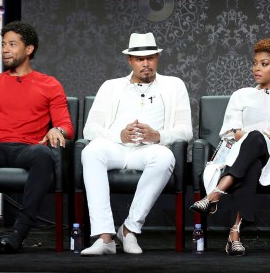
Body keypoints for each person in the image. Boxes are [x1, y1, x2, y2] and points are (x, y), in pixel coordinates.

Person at [0, 21, 74, 254]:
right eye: (3, 45)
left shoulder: (49, 84)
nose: (5, 50)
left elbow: (66, 126)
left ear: (29, 49)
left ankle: (19, 233)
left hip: (28, 149)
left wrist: (56, 130)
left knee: (44, 155)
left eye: (12, 44)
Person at [190, 38, 270, 256]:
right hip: (241, 152)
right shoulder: (241, 95)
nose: (256, 68)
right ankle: (234, 233)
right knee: (253, 151)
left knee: (255, 146)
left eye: (264, 64)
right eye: (255, 63)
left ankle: (215, 194)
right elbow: (231, 132)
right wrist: (262, 135)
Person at [80, 32, 192, 256]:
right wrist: (118, 135)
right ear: (129, 61)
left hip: (150, 150)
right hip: (116, 147)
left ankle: (129, 229)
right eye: (140, 59)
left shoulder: (174, 85)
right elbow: (89, 129)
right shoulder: (111, 87)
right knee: (91, 151)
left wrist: (157, 135)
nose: (146, 63)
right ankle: (105, 238)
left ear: (157, 59)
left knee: (165, 157)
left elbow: (186, 131)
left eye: (151, 58)